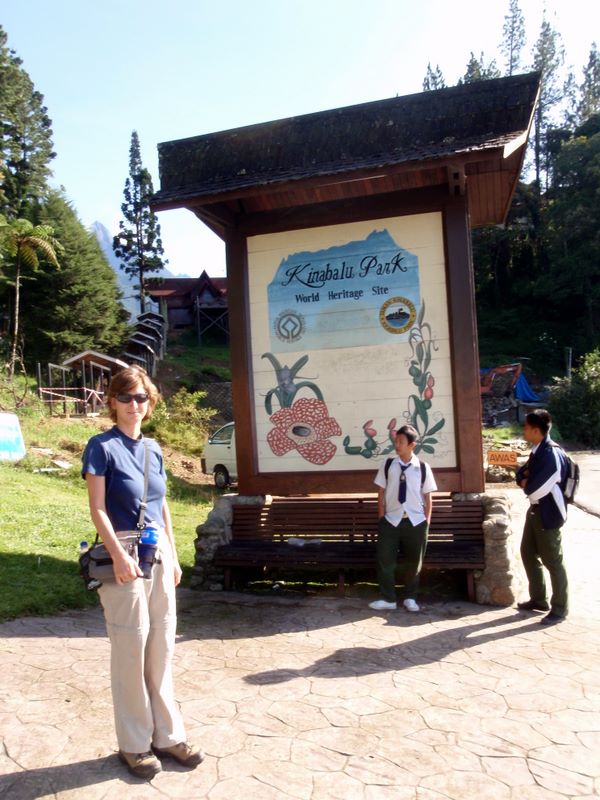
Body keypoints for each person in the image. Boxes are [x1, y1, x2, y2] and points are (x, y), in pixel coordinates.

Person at [82, 365, 202, 780]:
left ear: (150, 403)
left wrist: (175, 554)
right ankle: (134, 744)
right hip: (124, 554)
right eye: (126, 397)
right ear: (112, 401)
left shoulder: (153, 449)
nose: (135, 405)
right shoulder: (101, 447)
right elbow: (97, 508)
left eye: (141, 398)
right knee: (130, 651)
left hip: (158, 553)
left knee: (161, 647)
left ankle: (167, 735)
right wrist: (118, 555)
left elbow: (161, 504)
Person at [369, 424, 437, 612]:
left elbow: (428, 496)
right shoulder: (388, 464)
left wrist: (426, 521)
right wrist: (382, 516)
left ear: (412, 445)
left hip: (416, 521)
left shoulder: (422, 467)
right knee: (385, 559)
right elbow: (381, 492)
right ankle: (388, 599)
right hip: (391, 520)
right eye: (396, 441)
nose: (397, 445)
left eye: (401, 442)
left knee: (414, 562)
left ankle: (410, 597)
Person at [516, 409, 569, 625]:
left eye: (526, 427)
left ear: (536, 431)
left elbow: (534, 488)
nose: (524, 431)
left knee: (553, 561)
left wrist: (526, 481)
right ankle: (539, 599)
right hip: (536, 510)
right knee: (527, 552)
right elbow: (520, 474)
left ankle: (560, 608)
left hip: (549, 512)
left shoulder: (551, 454)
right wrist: (524, 479)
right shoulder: (538, 451)